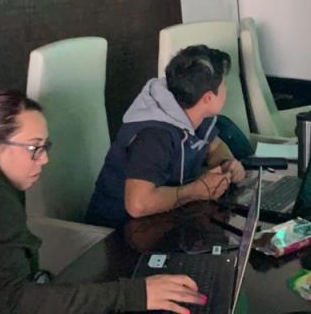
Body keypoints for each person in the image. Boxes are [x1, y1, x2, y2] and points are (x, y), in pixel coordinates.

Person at [0, 89, 206, 314]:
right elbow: (9, 303)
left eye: (45, 146)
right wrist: (135, 295)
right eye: (34, 148)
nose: (44, 160)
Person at [86, 45, 247, 228]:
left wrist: (226, 165)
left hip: (165, 220)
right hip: (120, 232)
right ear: (208, 98)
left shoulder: (191, 106)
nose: (226, 90)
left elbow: (215, 146)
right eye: (224, 85)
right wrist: (195, 191)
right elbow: (138, 205)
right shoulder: (154, 134)